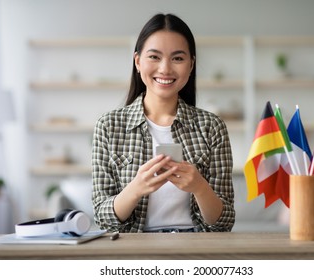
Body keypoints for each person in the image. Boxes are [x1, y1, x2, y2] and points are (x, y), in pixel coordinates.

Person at [92, 13, 235, 233]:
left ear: (191, 65)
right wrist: (136, 188)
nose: (165, 69)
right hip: (134, 251)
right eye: (154, 57)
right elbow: (103, 218)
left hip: (196, 249)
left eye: (178, 58)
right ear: (138, 61)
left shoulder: (211, 127)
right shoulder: (109, 126)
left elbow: (223, 223)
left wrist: (199, 186)